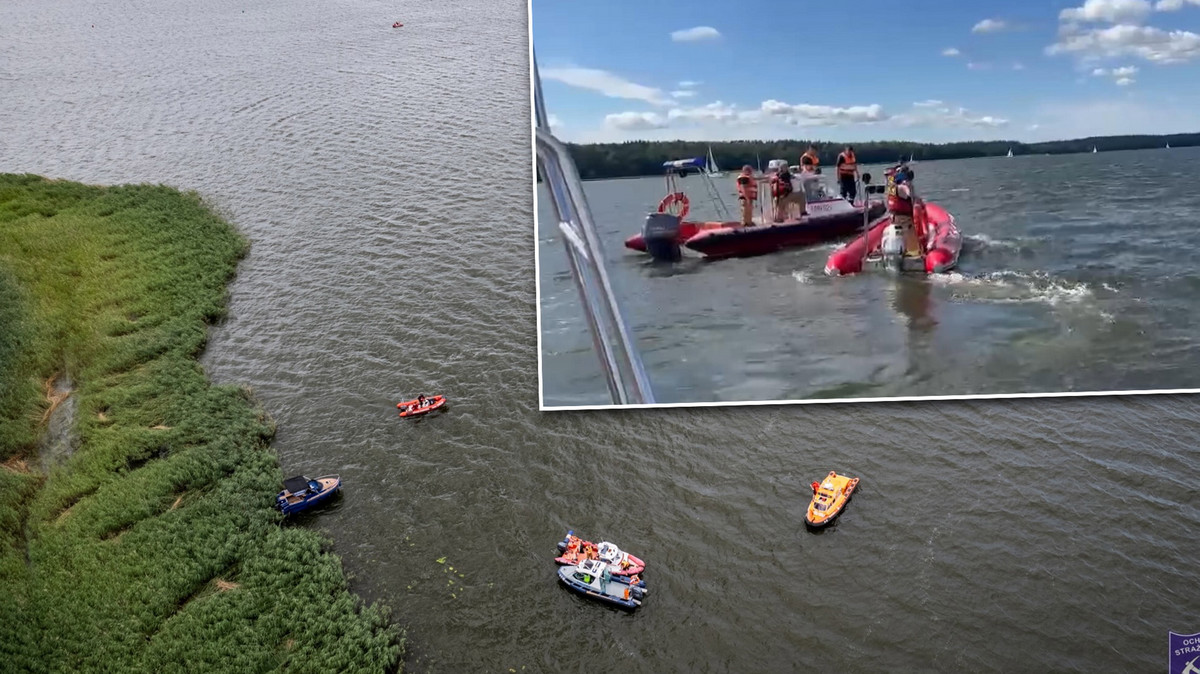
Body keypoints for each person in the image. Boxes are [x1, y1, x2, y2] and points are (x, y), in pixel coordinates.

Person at [887, 165, 924, 257]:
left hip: (894, 217)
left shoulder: (891, 188)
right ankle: (914, 253)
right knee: (910, 232)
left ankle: (902, 250)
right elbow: (909, 195)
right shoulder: (903, 187)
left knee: (900, 232)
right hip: (904, 217)